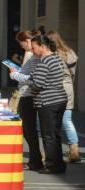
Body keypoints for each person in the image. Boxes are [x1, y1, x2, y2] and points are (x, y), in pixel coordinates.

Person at [27, 35, 67, 174]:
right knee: (55, 134)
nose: (32, 51)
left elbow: (37, 84)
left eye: (34, 47)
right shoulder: (57, 59)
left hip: (48, 101)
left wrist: (28, 81)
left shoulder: (44, 61)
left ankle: (51, 165)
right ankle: (59, 164)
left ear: (42, 46)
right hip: (60, 99)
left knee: (48, 135)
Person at [9, 30, 43, 171]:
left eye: (21, 43)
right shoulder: (32, 55)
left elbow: (29, 77)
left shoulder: (33, 55)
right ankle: (36, 159)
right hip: (26, 94)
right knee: (28, 129)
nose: (21, 46)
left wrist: (14, 74)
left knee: (29, 129)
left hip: (28, 94)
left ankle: (36, 160)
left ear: (28, 41)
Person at [46, 30, 81, 163]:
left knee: (52, 121)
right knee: (67, 120)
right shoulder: (69, 52)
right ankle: (74, 150)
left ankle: (51, 151)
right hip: (68, 87)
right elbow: (72, 73)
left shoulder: (51, 54)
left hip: (54, 88)